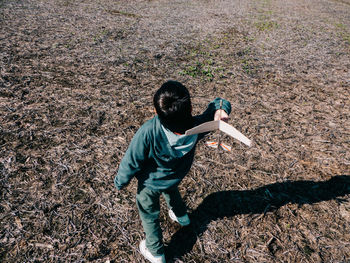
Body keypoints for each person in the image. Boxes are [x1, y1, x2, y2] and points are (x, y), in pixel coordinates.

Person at [114, 80, 231, 263]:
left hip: (150, 184)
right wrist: (220, 110)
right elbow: (220, 102)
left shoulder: (148, 131)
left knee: (149, 213)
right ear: (190, 107)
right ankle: (181, 216)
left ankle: (155, 252)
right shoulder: (198, 127)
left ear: (156, 113)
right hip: (176, 176)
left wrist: (120, 181)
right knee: (171, 188)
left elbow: (131, 160)